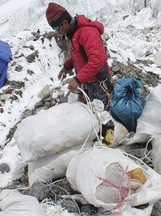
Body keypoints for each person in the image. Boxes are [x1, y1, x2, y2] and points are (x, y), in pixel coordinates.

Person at [46, 2, 115, 147]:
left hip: (99, 83)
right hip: (88, 82)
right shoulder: (74, 35)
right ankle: (96, 141)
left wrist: (78, 79)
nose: (58, 32)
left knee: (103, 116)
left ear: (64, 23)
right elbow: (78, 56)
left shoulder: (86, 32)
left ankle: (108, 146)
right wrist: (67, 66)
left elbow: (97, 60)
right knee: (90, 113)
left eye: (57, 28)